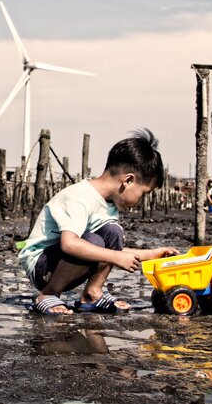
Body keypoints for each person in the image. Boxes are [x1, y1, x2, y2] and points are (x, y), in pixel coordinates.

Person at [18, 129, 179, 315]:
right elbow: (70, 244)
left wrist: (150, 254)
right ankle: (48, 294)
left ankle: (92, 293)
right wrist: (116, 257)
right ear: (128, 180)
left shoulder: (109, 205)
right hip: (42, 266)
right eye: (143, 193)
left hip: (64, 261)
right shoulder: (80, 197)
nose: (140, 200)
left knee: (113, 232)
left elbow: (111, 250)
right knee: (93, 241)